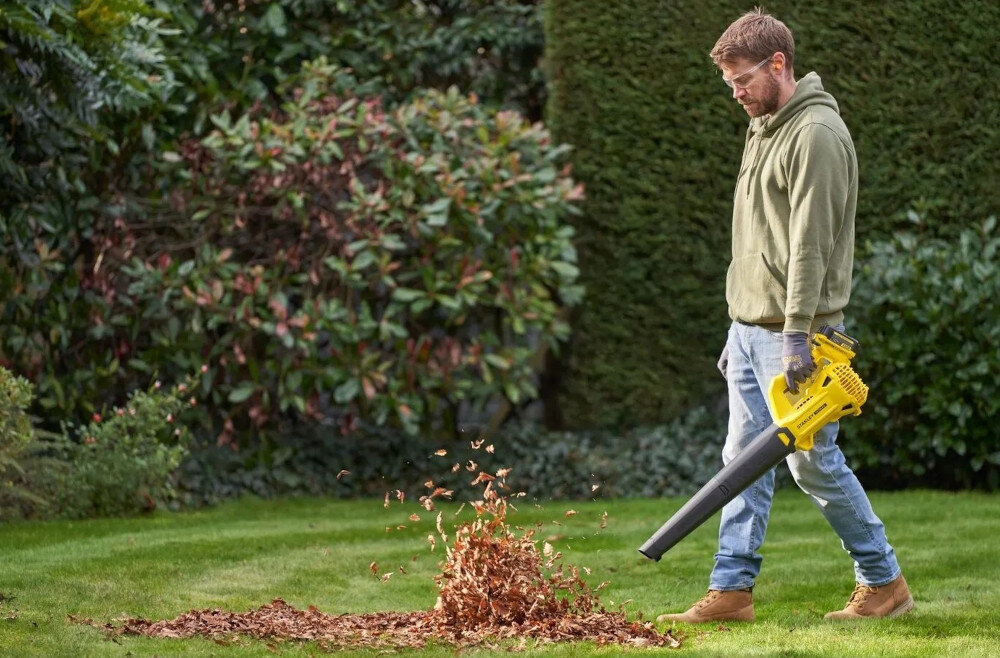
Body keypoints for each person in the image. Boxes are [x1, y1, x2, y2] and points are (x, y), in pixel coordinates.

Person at [658, 10, 913, 623]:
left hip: (797, 335)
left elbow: (809, 245)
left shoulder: (817, 134)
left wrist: (796, 333)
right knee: (739, 461)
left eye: (742, 80)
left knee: (811, 463)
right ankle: (731, 591)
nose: (737, 93)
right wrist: (738, 323)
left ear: (778, 64)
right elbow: (756, 236)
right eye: (730, 84)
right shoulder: (765, 125)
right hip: (752, 330)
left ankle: (884, 582)